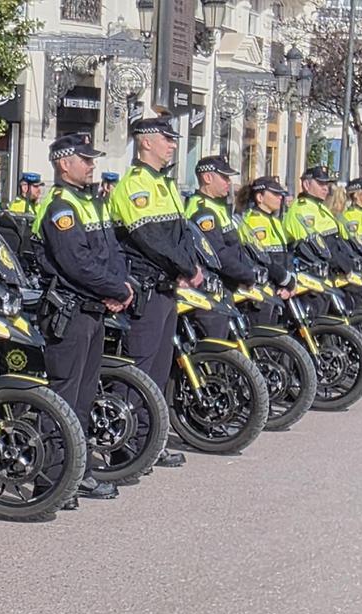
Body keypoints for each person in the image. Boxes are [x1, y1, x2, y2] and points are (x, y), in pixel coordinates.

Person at [33, 132, 129, 507]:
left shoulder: (91, 202)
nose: (92, 165)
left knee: (84, 398)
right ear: (64, 163)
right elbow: (75, 263)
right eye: (85, 159)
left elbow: (110, 252)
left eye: (93, 159)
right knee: (63, 397)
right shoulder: (60, 207)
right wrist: (114, 289)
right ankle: (51, 479)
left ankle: (78, 472)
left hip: (94, 308)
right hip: (69, 311)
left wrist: (121, 285)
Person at [107, 113, 202, 469]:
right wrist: (186, 267)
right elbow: (150, 239)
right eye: (167, 138)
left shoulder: (165, 183)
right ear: (146, 141)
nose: (172, 144)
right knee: (138, 370)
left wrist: (191, 264)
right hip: (146, 288)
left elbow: (180, 235)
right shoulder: (135, 185)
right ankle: (123, 443)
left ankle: (151, 441)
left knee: (159, 371)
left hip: (166, 289)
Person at [185, 156, 260, 338]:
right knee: (216, 349)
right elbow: (218, 255)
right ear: (207, 178)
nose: (229, 183)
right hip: (210, 291)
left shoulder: (217, 207)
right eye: (224, 177)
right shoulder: (202, 210)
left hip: (225, 288)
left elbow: (236, 247)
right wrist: (246, 275)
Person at [236, 176, 298, 325]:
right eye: (275, 194)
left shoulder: (275, 221)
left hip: (276, 289)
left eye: (281, 194)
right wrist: (287, 280)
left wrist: (290, 281)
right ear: (260, 197)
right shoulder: (253, 221)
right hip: (259, 292)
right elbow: (264, 260)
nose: (280, 198)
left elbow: (284, 254)